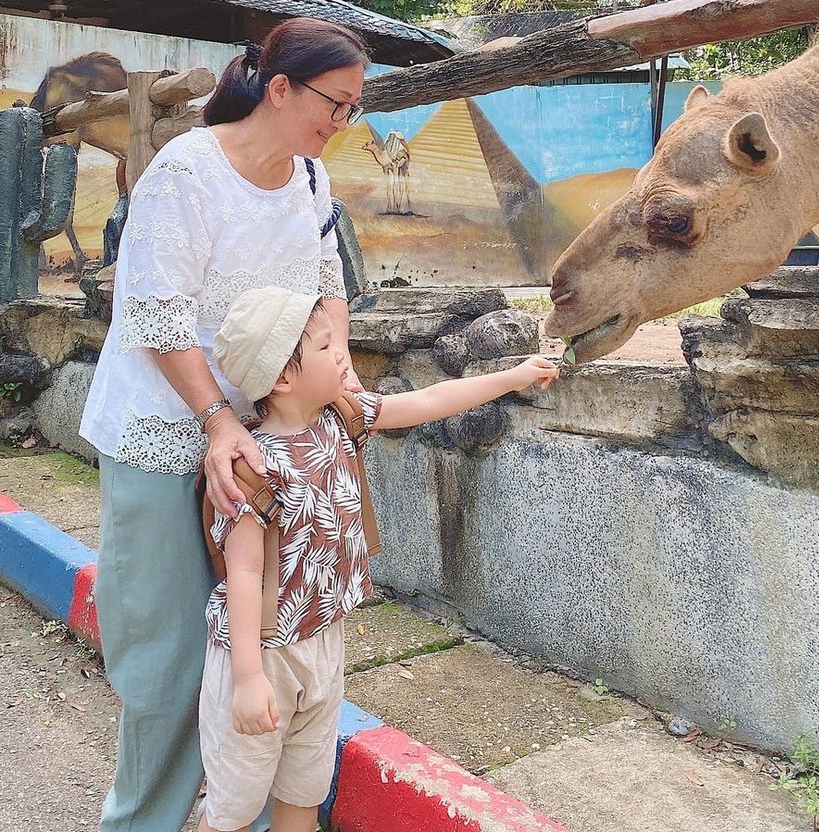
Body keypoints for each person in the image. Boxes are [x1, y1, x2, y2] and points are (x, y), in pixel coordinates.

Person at [80, 17, 371, 832]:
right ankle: (141, 820)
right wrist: (214, 421)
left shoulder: (310, 180)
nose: (342, 124)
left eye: (353, 108)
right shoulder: (187, 171)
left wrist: (336, 373)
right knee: (169, 659)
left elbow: (328, 286)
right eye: (334, 103)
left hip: (252, 442)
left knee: (254, 646)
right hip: (167, 432)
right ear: (280, 88)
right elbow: (158, 313)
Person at [200, 286, 560, 832]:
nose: (341, 353)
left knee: (305, 789)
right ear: (281, 379)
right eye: (324, 347)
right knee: (236, 805)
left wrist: (511, 378)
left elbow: (428, 402)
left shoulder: (342, 417)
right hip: (263, 653)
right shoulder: (252, 468)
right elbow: (245, 574)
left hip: (323, 638)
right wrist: (249, 678)